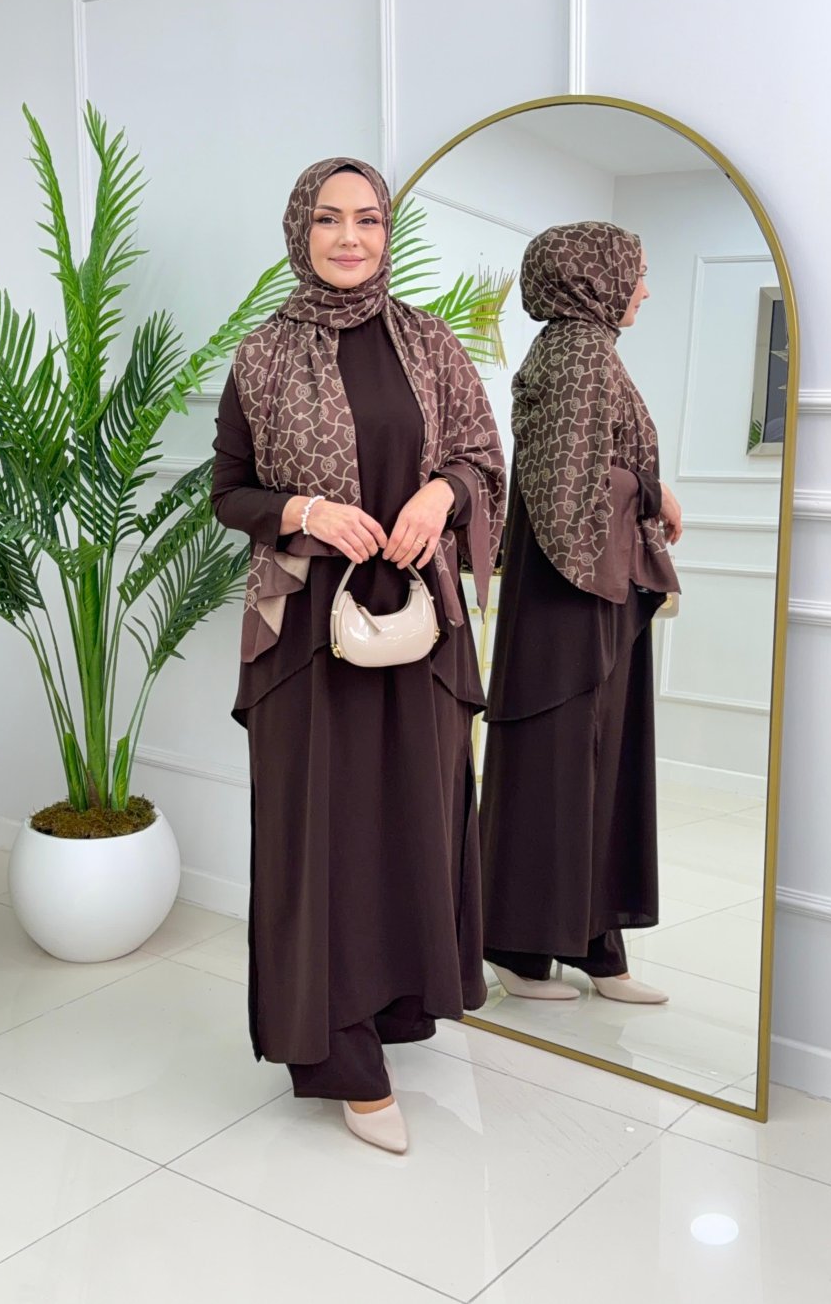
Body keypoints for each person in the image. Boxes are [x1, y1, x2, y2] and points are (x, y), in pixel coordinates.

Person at [211, 157, 505, 1153]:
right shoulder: (262, 355)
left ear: (386, 231)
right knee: (320, 836)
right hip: (306, 632)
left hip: (417, 623)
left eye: (368, 219)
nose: (350, 237)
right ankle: (337, 1053)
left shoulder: (429, 342)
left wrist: (441, 496)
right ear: (300, 231)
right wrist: (304, 509)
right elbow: (228, 490)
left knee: (408, 820)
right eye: (329, 219)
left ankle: (392, 1002)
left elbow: (481, 458)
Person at [480, 221, 681, 1007]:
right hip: (574, 595)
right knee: (561, 765)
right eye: (636, 272)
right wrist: (653, 494)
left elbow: (579, 473)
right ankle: (522, 947)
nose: (644, 290)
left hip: (586, 589)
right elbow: (569, 492)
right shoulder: (580, 354)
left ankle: (595, 943)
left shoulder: (579, 350)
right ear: (593, 277)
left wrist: (647, 492)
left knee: (594, 765)